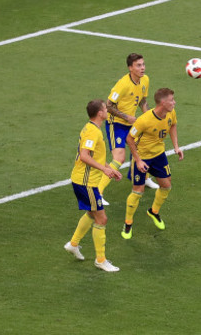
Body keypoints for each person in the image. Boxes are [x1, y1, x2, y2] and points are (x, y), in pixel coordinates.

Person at [64, 99, 123, 272]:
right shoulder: (93, 132)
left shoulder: (91, 128)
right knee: (101, 218)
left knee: (92, 213)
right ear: (100, 113)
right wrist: (104, 170)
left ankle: (73, 244)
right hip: (85, 182)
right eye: (105, 108)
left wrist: (108, 168)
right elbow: (84, 156)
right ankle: (100, 260)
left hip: (86, 181)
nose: (107, 110)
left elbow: (94, 156)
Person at [121, 88, 184, 239]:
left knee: (167, 186)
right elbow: (129, 139)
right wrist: (138, 160)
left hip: (159, 155)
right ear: (163, 103)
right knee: (138, 191)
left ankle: (153, 211)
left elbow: (173, 125)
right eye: (171, 100)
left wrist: (176, 146)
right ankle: (128, 223)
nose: (174, 102)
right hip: (142, 156)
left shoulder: (171, 113)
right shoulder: (144, 120)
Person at [98, 53, 158, 206]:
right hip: (116, 124)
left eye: (143, 64)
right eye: (138, 65)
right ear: (130, 68)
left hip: (131, 122)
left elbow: (143, 100)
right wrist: (126, 117)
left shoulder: (145, 80)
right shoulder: (122, 84)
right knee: (119, 158)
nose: (142, 68)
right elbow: (108, 106)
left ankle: (144, 179)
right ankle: (98, 193)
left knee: (144, 146)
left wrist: (149, 118)